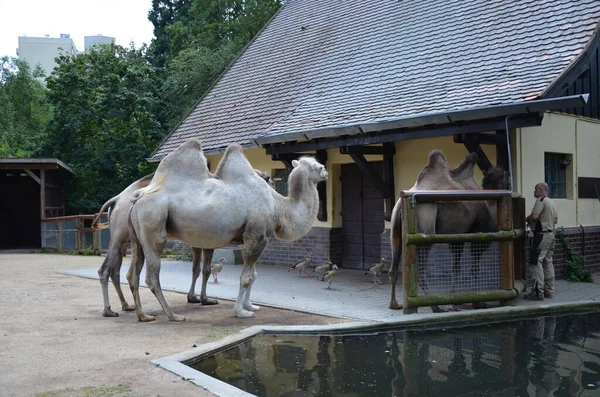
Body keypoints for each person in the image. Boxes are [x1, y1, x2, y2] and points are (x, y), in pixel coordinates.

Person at [524, 182, 558, 301]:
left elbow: (534, 216)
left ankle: (538, 292)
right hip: (551, 234)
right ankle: (549, 290)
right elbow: (556, 220)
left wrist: (527, 219)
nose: (534, 192)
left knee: (535, 261)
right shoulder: (552, 202)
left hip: (541, 235)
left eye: (535, 189)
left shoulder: (541, 200)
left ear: (540, 189)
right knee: (548, 262)